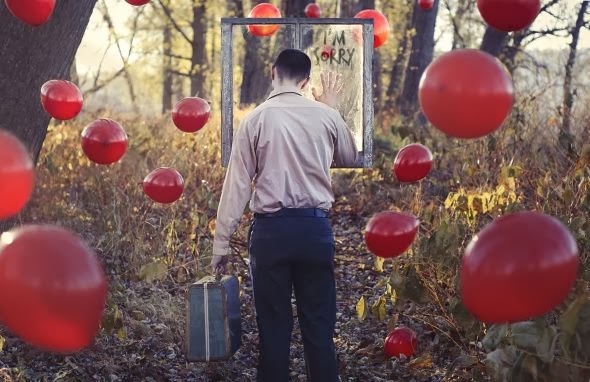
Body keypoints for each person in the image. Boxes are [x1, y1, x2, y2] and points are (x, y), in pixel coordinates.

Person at [211, 48, 358, 382]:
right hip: (313, 230)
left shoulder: (255, 119)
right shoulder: (325, 116)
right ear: (306, 81)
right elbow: (349, 156)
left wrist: (221, 242)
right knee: (319, 328)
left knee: (274, 330)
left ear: (272, 71)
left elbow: (237, 185)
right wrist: (332, 111)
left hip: (270, 234)